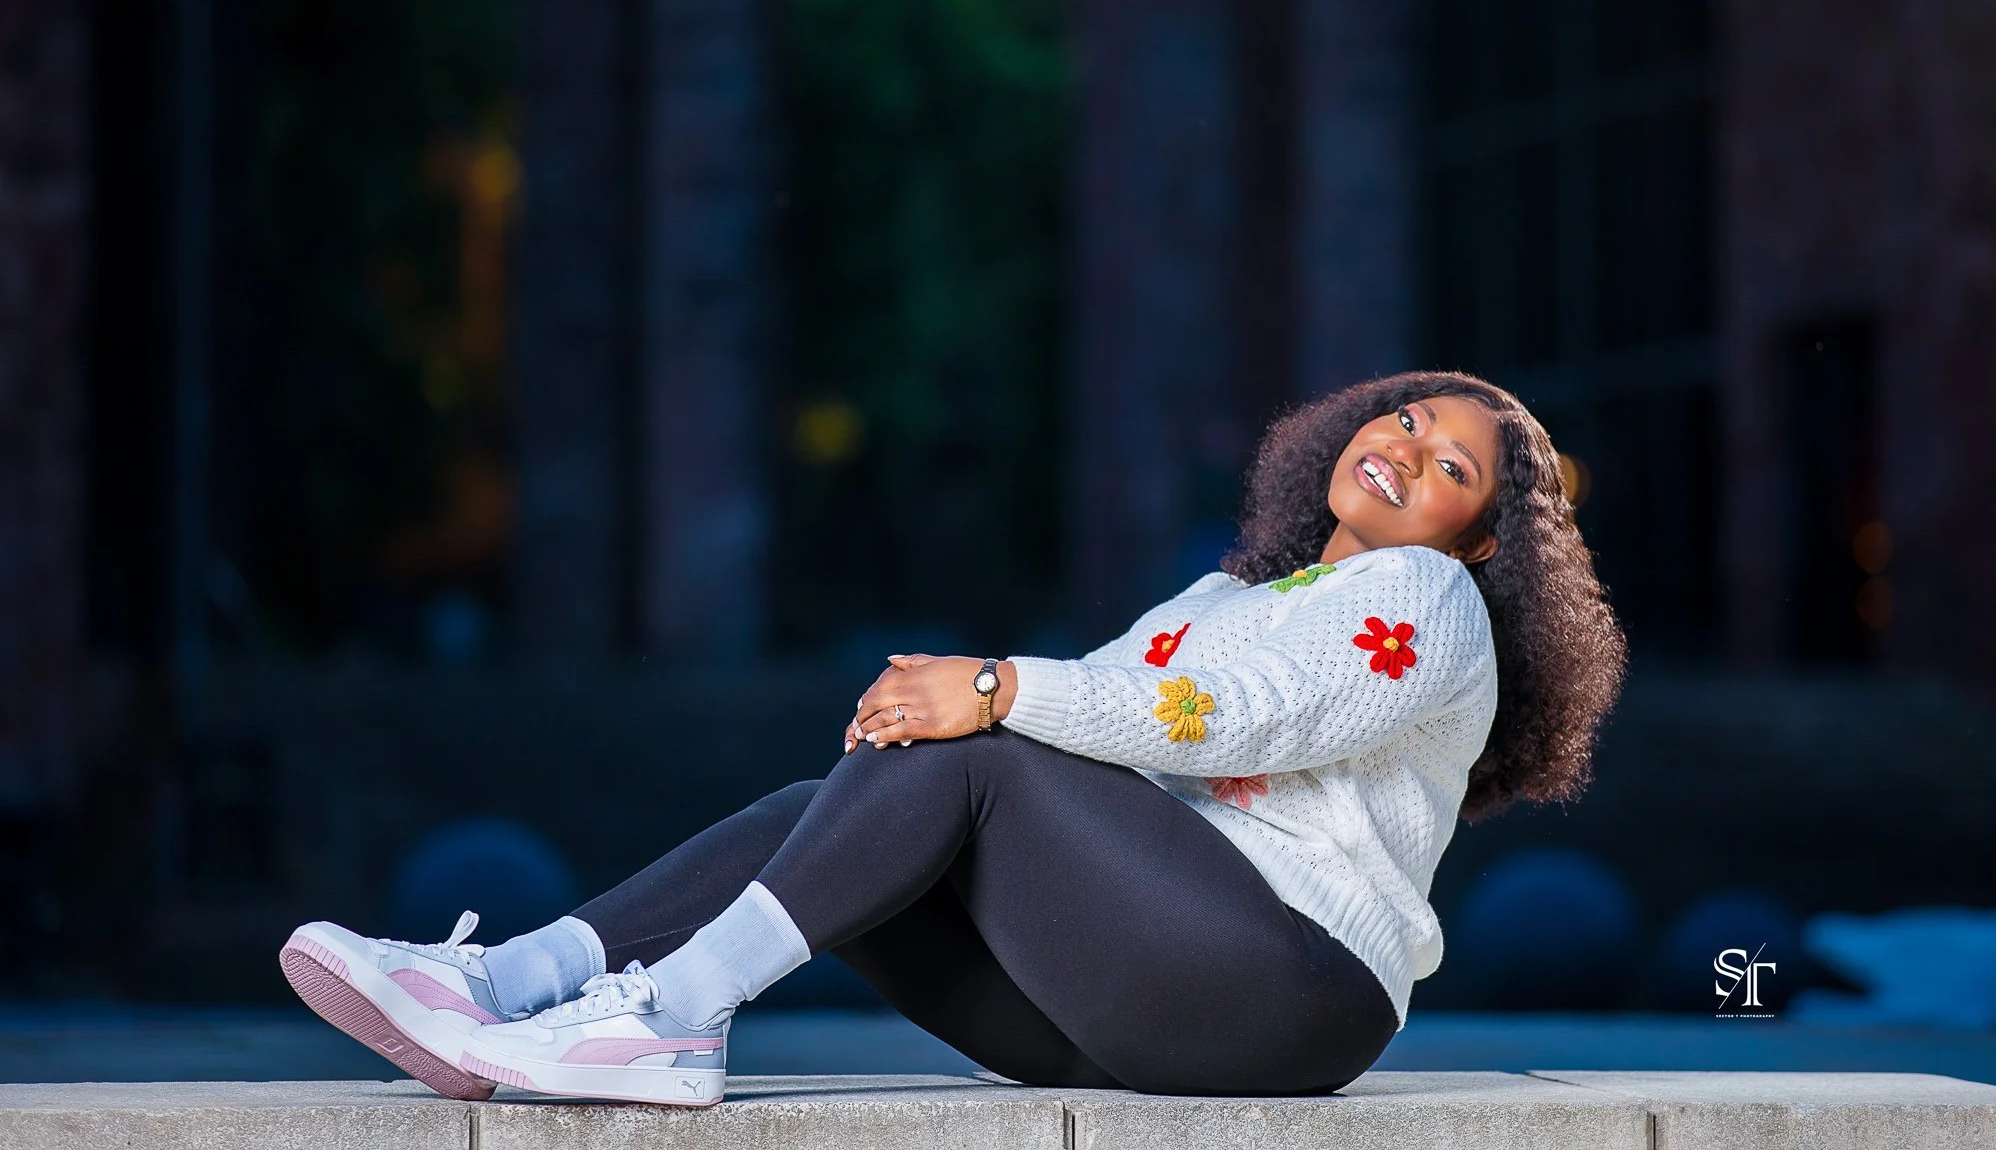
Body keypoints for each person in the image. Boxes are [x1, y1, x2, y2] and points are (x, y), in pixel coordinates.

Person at [280, 369, 1626, 1107]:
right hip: (1145, 1005)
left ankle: (669, 1025)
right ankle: (511, 987)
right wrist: (936, 729)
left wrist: (984, 696)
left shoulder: (1426, 599)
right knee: (837, 809)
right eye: (1406, 416)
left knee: (978, 751)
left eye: (1452, 465)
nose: (1407, 446)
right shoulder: (1234, 596)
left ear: (1480, 536)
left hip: (1289, 988)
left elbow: (1219, 717)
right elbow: (1100, 715)